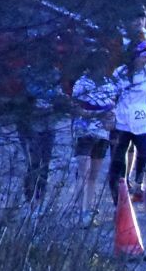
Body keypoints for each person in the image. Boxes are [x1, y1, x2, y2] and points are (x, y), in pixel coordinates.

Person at [108, 40, 146, 219]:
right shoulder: (120, 72)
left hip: (142, 123)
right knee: (117, 164)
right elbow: (111, 98)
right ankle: (119, 205)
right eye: (144, 55)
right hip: (122, 123)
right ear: (135, 56)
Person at [71, 51, 118, 227]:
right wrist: (95, 114)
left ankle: (87, 207)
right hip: (84, 132)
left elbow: (113, 108)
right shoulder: (82, 84)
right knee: (84, 169)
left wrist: (111, 123)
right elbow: (75, 108)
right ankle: (81, 209)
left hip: (102, 134)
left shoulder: (110, 85)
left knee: (93, 174)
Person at [16, 56, 64, 205]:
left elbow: (59, 96)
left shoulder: (55, 73)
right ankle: (30, 199)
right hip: (31, 125)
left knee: (45, 163)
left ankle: (40, 199)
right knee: (33, 163)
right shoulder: (27, 74)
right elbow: (23, 100)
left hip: (49, 123)